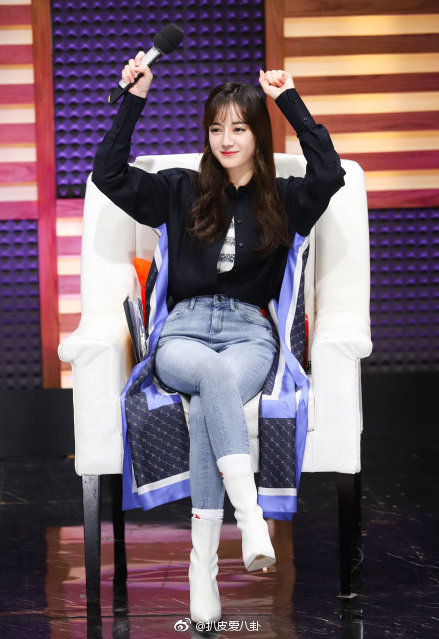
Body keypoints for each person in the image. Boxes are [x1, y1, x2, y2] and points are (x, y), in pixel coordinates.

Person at [92, 51, 346, 625]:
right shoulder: (179, 189)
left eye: (239, 128)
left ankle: (201, 570)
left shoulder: (286, 198)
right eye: (215, 128)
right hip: (183, 331)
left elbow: (330, 173)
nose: (226, 140)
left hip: (250, 334)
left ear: (257, 134)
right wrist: (134, 98)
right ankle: (250, 519)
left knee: (215, 396)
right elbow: (107, 174)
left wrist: (288, 100)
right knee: (211, 377)